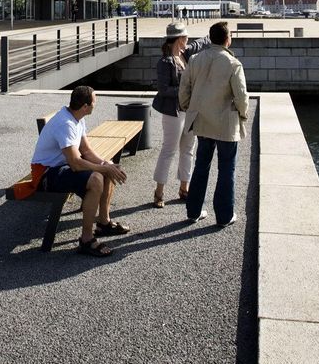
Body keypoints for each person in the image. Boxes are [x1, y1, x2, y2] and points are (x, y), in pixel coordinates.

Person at [28, 85, 130, 257]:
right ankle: (86, 240)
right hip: (45, 174)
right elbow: (75, 163)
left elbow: (87, 151)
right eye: (94, 102)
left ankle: (103, 223)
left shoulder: (78, 118)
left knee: (107, 168)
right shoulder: (65, 124)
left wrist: (107, 164)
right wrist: (104, 168)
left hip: (61, 167)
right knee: (97, 178)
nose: (95, 104)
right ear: (85, 106)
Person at [178, 21, 249, 226]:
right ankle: (224, 216)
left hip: (201, 119)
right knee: (227, 169)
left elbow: (185, 88)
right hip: (225, 122)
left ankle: (194, 211)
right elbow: (241, 96)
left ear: (210, 38)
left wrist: (187, 107)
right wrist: (243, 115)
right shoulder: (233, 63)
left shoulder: (195, 59)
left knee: (201, 166)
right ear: (228, 39)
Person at [150, 22, 209, 208]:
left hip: (188, 110)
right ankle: (159, 192)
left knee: (188, 149)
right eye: (186, 37)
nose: (188, 40)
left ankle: (185, 188)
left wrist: (216, 34)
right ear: (179, 39)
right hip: (173, 112)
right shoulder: (165, 62)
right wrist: (186, 89)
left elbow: (200, 43)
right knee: (169, 150)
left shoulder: (185, 53)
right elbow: (163, 89)